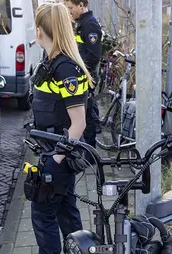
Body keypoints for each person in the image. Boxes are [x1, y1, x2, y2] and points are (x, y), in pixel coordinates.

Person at [27, 2, 92, 254]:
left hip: (58, 156)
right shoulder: (52, 61)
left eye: (35, 26)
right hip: (53, 151)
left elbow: (78, 123)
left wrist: (55, 160)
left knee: (42, 213)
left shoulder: (64, 67)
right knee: (65, 209)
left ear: (42, 30)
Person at [64, 0, 101, 151]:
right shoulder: (81, 23)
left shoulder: (89, 25)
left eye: (71, 8)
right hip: (83, 76)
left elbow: (93, 56)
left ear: (81, 5)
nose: (69, 11)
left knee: (87, 116)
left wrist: (76, 64)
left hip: (87, 77)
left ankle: (90, 153)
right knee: (85, 113)